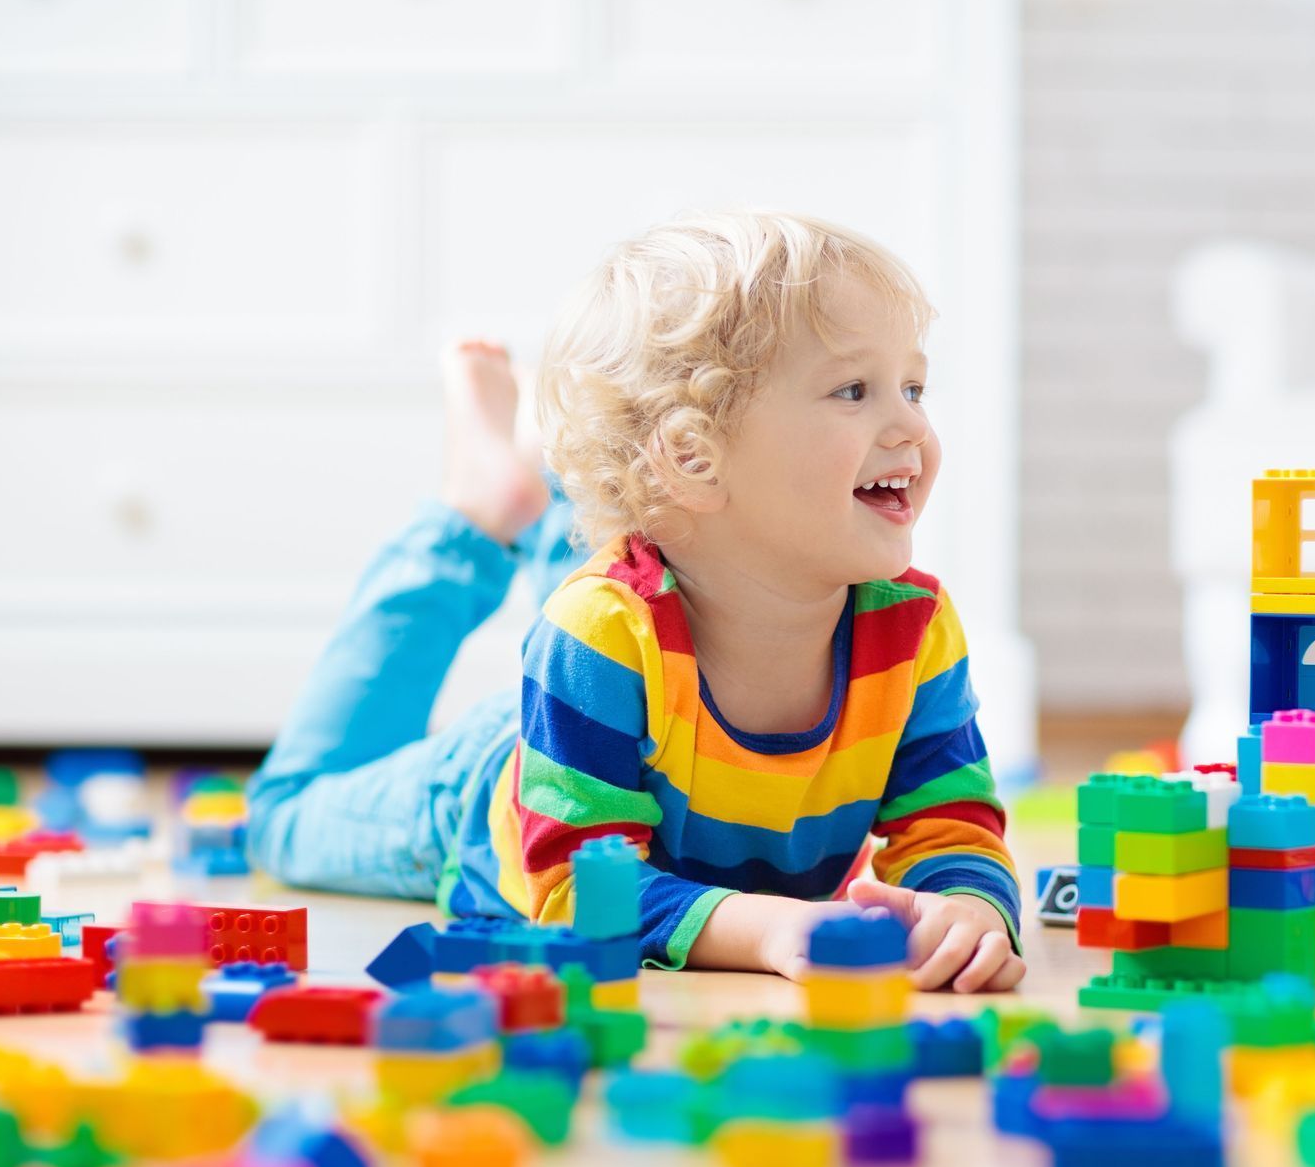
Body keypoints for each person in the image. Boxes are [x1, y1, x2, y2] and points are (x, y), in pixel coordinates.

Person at [247, 210, 1024, 992]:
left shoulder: (911, 624)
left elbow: (949, 823)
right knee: (285, 819)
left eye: (914, 386)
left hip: (651, 639)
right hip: (495, 789)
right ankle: (476, 511)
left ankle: (551, 482)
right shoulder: (594, 634)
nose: (912, 426)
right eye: (854, 390)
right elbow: (579, 891)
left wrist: (969, 905)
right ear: (693, 454)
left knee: (663, 560)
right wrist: (768, 927)